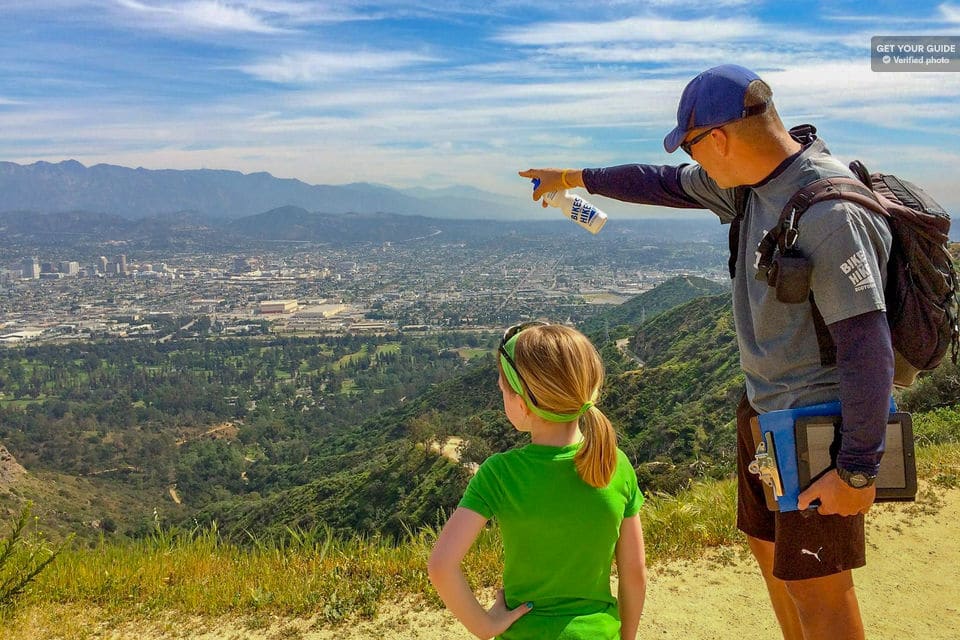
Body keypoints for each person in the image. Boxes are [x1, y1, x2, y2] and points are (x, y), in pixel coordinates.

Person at [520, 64, 894, 640]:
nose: (692, 161)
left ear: (717, 139)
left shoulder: (829, 212)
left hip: (819, 428)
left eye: (692, 145)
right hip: (765, 409)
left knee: (821, 589)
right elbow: (661, 182)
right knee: (773, 558)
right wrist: (572, 178)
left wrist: (859, 468)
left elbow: (869, 346)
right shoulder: (747, 184)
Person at [428, 322, 647, 640]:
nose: (501, 394)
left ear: (523, 403)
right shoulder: (615, 463)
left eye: (503, 388)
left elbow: (440, 566)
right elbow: (634, 575)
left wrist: (484, 626)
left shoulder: (500, 474)